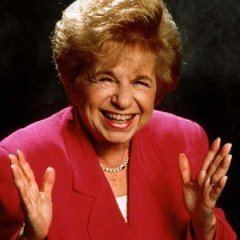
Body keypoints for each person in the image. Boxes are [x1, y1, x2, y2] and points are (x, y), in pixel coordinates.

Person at [0, 0, 236, 239]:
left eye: (140, 82)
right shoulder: (19, 159)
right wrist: (29, 237)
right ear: (70, 81)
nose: (123, 101)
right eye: (105, 78)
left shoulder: (185, 140)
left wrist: (205, 224)